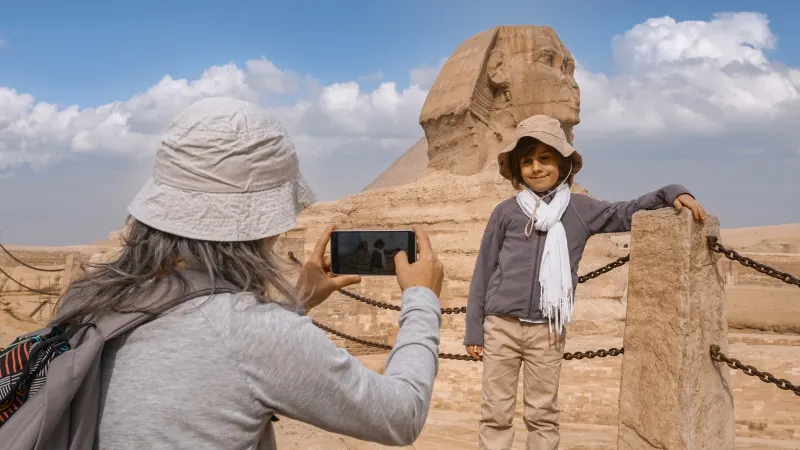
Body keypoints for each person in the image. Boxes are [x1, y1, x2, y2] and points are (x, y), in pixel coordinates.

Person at [52, 97, 445, 449]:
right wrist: (422, 298)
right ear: (263, 225)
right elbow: (401, 416)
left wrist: (297, 301)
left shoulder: (85, 298)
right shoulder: (252, 330)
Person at [463, 115, 706, 450]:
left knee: (542, 413)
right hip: (500, 325)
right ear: (517, 169)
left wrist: (672, 192)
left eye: (545, 158)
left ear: (563, 164)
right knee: (495, 412)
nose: (536, 168)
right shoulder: (505, 212)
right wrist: (474, 328)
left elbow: (626, 211)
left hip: (547, 330)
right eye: (527, 161)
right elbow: (485, 269)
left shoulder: (579, 209)